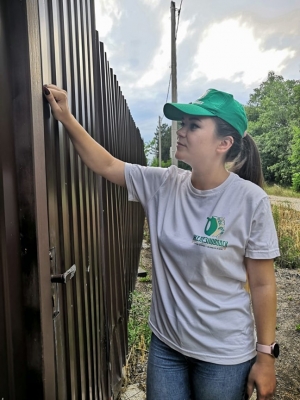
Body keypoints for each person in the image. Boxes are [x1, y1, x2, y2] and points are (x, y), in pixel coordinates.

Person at [43, 85, 279, 400]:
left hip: (224, 356)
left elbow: (263, 285)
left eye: (193, 126)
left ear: (224, 143)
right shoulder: (164, 184)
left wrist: (265, 357)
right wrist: (66, 118)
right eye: (183, 123)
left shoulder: (251, 201)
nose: (181, 131)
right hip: (167, 347)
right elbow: (107, 165)